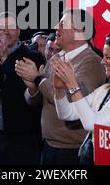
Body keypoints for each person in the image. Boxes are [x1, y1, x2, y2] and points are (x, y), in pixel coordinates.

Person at [16, 9, 105, 165]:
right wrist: (32, 88)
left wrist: (37, 79)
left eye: (63, 23)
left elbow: (72, 100)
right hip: (49, 145)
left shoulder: (92, 62)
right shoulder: (57, 57)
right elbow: (37, 101)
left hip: (72, 150)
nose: (56, 27)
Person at [53, 34, 110, 164]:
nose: (102, 61)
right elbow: (66, 114)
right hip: (89, 156)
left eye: (108, 57)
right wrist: (59, 89)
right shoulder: (105, 89)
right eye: (103, 56)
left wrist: (72, 85)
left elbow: (92, 124)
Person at [0, 12, 44, 165]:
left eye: (10, 27)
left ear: (18, 31)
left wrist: (4, 60)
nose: (6, 31)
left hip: (23, 136)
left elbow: (38, 96)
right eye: (1, 28)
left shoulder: (33, 57)